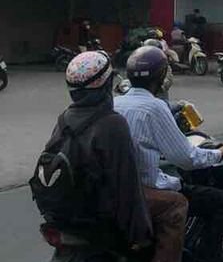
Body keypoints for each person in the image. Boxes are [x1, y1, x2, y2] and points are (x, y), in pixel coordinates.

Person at [114, 46, 223, 262]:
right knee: (217, 201)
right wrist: (219, 154)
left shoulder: (115, 103)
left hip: (116, 186)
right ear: (161, 76)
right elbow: (186, 158)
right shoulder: (155, 107)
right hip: (146, 187)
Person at [37, 51, 153, 249]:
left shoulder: (65, 118)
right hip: (99, 219)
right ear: (105, 86)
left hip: (63, 215)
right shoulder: (112, 123)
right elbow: (126, 184)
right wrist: (140, 233)